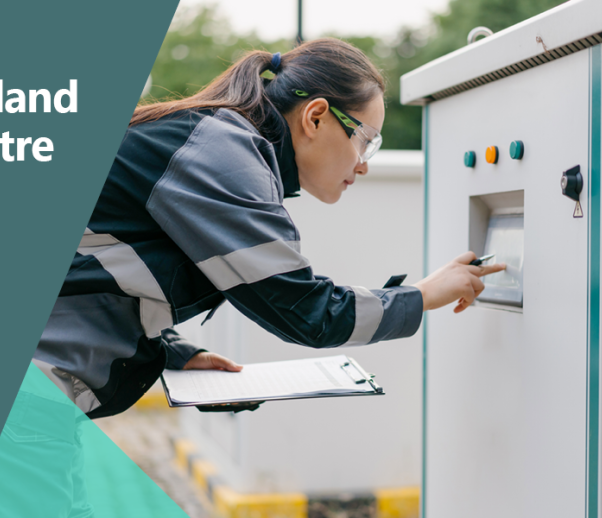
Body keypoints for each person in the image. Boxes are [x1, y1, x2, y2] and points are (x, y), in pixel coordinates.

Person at [32, 38, 506, 420]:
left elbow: (98, 267)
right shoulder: (223, 155)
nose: (363, 163)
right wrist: (422, 295)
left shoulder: (216, 143)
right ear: (316, 116)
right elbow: (308, 311)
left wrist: (176, 353)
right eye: (366, 139)